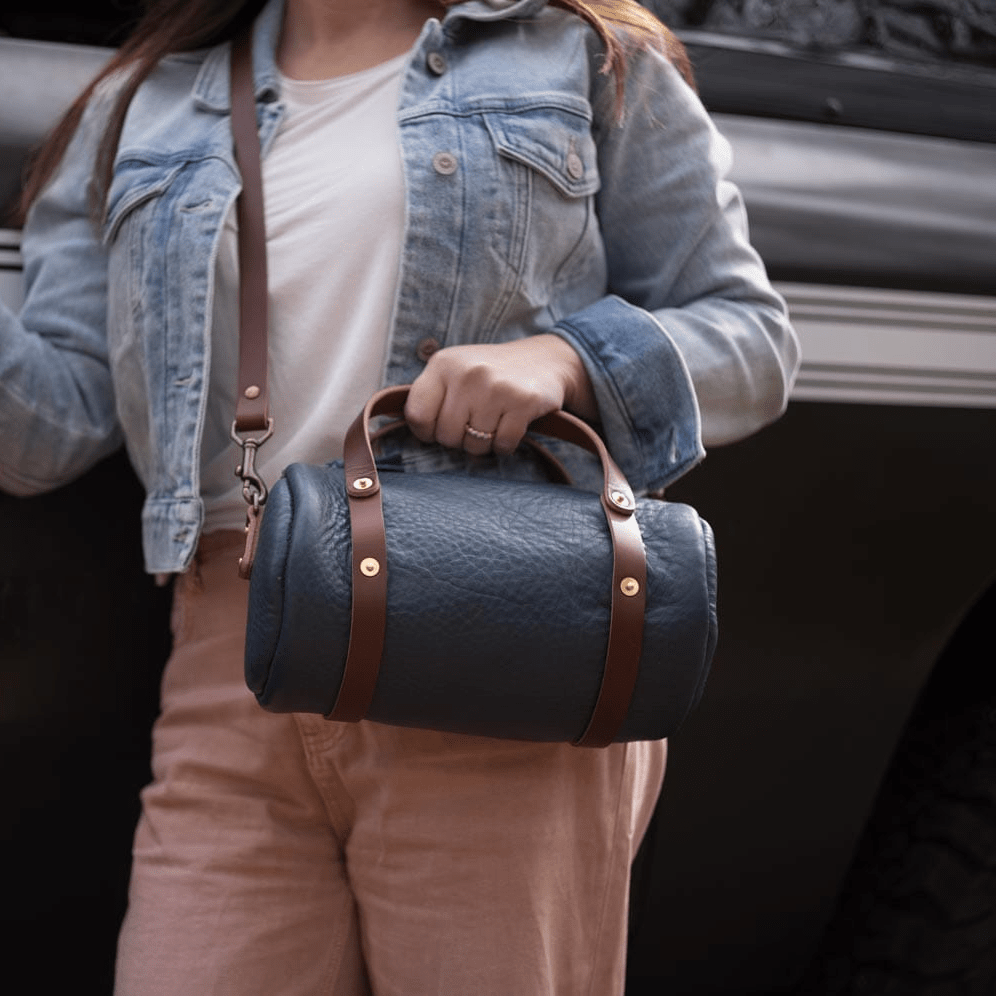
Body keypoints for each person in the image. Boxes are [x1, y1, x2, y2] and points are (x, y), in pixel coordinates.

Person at [2, 0, 799, 992]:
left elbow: (753, 343)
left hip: (490, 645)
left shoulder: (585, 57)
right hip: (234, 657)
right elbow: (48, 427)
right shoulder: (141, 103)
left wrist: (565, 362)